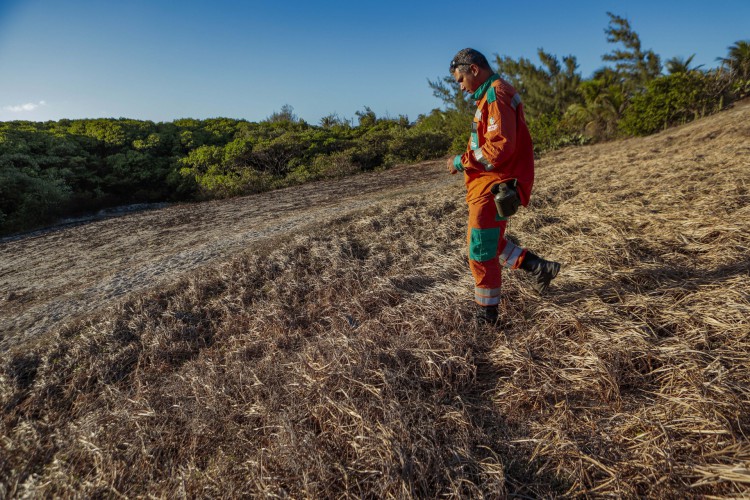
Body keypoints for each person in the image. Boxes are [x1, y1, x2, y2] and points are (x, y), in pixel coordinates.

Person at [446, 48, 560, 325]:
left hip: (492, 186)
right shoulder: (489, 96)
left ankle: (486, 316)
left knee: (480, 251)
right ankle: (539, 267)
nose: (460, 87)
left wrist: (462, 162)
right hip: (487, 185)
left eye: (460, 79)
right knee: (492, 243)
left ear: (474, 70)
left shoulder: (496, 94)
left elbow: (499, 148)